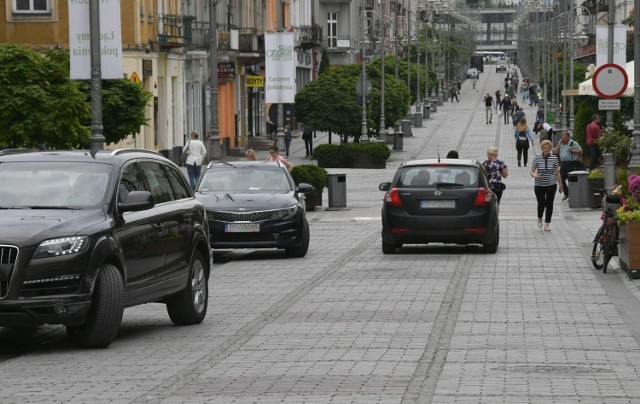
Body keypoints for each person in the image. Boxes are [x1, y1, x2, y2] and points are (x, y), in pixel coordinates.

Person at [530, 139, 563, 231]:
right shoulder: (537, 158)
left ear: (550, 149)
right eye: (544, 148)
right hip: (539, 185)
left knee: (549, 204)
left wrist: (561, 185)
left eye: (548, 148)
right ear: (541, 148)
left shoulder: (554, 158)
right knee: (541, 203)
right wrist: (535, 175)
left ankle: (547, 223)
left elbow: (557, 173)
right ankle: (540, 217)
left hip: (551, 184)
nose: (546, 149)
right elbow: (532, 171)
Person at [554, 131, 583, 201]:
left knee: (572, 180)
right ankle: (566, 193)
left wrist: (573, 150)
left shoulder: (573, 143)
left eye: (564, 138)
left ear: (568, 137)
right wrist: (559, 143)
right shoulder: (560, 144)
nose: (563, 139)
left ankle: (572, 195)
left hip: (572, 163)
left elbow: (581, 152)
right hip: (563, 164)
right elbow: (555, 152)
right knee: (561, 179)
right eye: (562, 137)